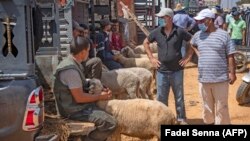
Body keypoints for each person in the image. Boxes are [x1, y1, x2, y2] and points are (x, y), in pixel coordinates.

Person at [53, 36, 117, 141]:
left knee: (108, 114)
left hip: (75, 105)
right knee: (110, 123)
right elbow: (80, 98)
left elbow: (80, 85)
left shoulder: (73, 63)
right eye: (88, 50)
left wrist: (99, 88)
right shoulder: (70, 70)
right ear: (82, 52)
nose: (89, 53)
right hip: (72, 110)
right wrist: (100, 96)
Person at [143, 8, 193, 125]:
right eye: (160, 18)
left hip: (177, 71)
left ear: (169, 18)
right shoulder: (157, 32)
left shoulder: (179, 31)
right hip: (162, 71)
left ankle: (181, 119)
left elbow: (192, 40)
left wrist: (188, 57)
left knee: (179, 96)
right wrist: (151, 58)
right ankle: (163, 120)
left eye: (162, 17)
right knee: (161, 98)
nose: (160, 20)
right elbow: (145, 42)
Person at [187, 9, 236, 124]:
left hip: (220, 79)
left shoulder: (224, 35)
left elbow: (230, 55)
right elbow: (192, 43)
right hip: (204, 79)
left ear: (209, 20)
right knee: (207, 108)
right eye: (198, 22)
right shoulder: (198, 35)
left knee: (221, 108)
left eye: (201, 21)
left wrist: (232, 73)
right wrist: (198, 53)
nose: (199, 24)